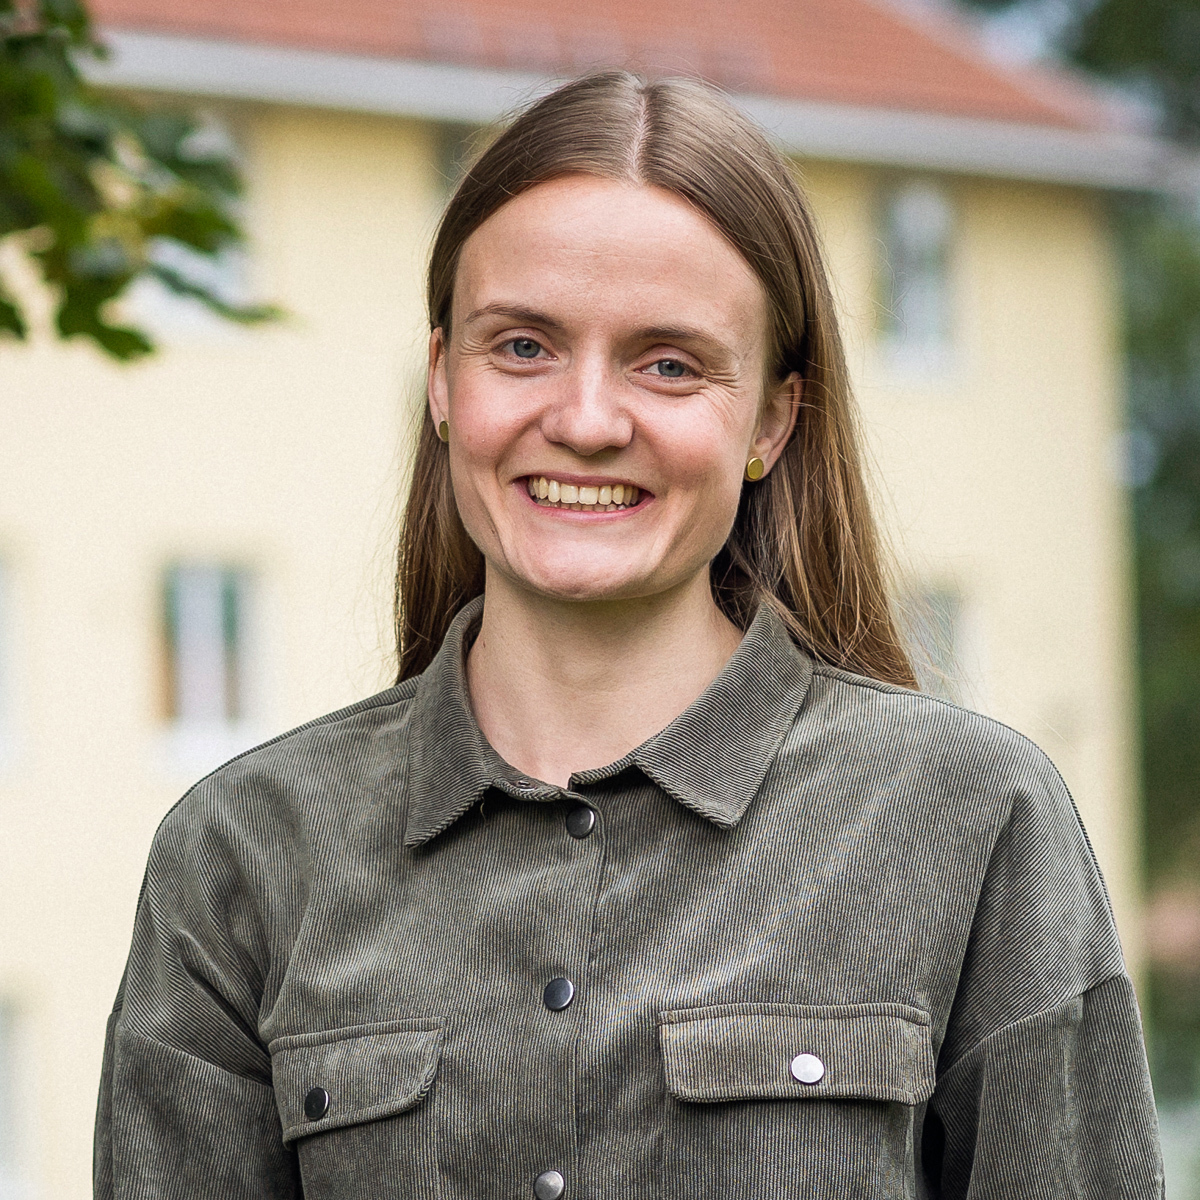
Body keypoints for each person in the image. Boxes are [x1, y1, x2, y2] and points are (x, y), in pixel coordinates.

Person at [94, 72, 1163, 1199]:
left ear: (772, 419)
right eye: (522, 347)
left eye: (669, 364)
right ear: (443, 380)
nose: (589, 421)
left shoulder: (975, 821)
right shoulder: (239, 856)